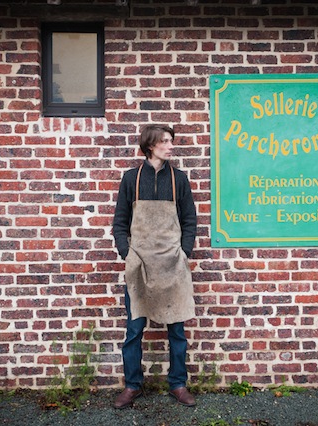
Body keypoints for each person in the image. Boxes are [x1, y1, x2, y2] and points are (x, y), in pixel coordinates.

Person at [112, 124, 198, 409]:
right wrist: (128, 254)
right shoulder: (131, 179)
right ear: (150, 146)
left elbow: (189, 220)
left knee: (177, 332)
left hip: (172, 265)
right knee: (134, 330)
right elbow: (120, 222)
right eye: (165, 141)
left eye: (171, 141)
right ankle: (132, 385)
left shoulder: (179, 179)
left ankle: (178, 384)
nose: (171, 146)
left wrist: (184, 252)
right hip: (140, 266)